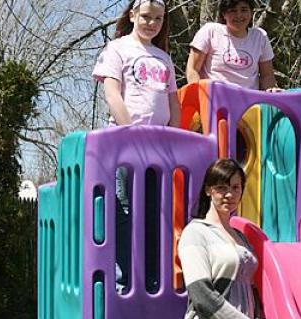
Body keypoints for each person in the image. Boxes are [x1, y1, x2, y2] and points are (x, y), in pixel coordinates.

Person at [92, 0, 180, 293]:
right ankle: (123, 281)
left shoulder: (164, 58)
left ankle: (152, 280)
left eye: (158, 19)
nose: (151, 23)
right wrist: (130, 131)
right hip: (125, 146)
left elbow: (172, 103)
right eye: (146, 17)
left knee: (156, 212)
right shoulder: (117, 49)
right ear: (132, 15)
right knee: (125, 211)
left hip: (158, 149)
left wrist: (176, 137)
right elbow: (113, 93)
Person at [178, 159, 262, 319]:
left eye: (235, 187)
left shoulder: (242, 238)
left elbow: (251, 291)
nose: (229, 194)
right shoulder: (196, 233)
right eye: (222, 188)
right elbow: (201, 295)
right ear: (208, 190)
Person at [185, 0, 279, 91]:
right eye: (233, 10)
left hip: (250, 103)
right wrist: (198, 94)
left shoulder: (260, 36)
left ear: (251, 12)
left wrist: (271, 91)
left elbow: (267, 76)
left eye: (244, 10)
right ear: (224, 14)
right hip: (214, 99)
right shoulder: (210, 31)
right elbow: (192, 69)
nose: (239, 15)